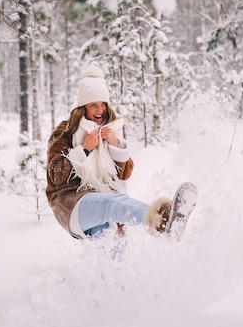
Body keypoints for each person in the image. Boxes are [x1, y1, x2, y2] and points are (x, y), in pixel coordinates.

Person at [45, 64, 172, 239]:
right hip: (72, 202)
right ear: (83, 107)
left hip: (104, 202)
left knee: (112, 250)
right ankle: (161, 219)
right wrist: (85, 149)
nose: (100, 110)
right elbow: (55, 174)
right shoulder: (66, 132)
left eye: (103, 104)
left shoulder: (111, 130)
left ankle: (111, 267)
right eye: (93, 105)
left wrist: (115, 144)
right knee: (111, 203)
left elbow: (125, 173)